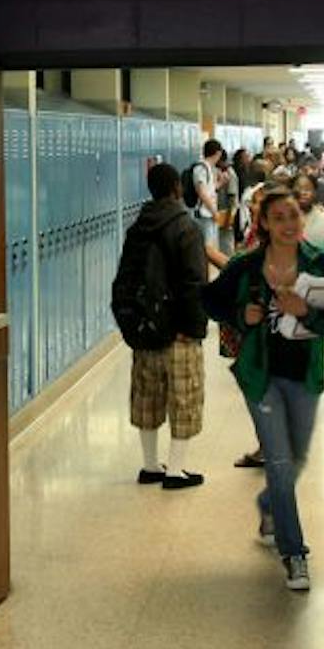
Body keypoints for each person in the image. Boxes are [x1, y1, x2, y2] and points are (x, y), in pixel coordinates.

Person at [203, 189, 324, 592]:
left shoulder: (323, 265)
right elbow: (209, 300)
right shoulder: (247, 267)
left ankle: (269, 504)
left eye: (294, 217)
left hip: (305, 375)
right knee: (280, 462)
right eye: (280, 217)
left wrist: (310, 315)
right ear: (265, 223)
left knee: (298, 457)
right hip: (260, 375)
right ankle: (295, 553)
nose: (289, 224)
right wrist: (240, 314)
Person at [115, 162, 210, 491]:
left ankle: (150, 465)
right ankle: (176, 471)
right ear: (177, 189)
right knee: (184, 399)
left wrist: (131, 327)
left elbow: (123, 281)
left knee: (147, 397)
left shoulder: (137, 227)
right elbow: (194, 283)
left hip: (145, 331)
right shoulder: (186, 227)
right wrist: (195, 328)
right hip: (178, 333)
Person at [189, 139, 225, 256]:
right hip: (204, 214)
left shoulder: (209, 168)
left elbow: (209, 190)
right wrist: (214, 211)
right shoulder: (201, 168)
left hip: (209, 213)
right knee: (207, 248)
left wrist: (221, 182)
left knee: (212, 246)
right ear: (218, 153)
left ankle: (213, 272)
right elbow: (202, 192)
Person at [293, 175, 324, 255]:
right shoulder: (281, 221)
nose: (303, 193)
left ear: (315, 192)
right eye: (299, 188)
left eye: (307, 189)